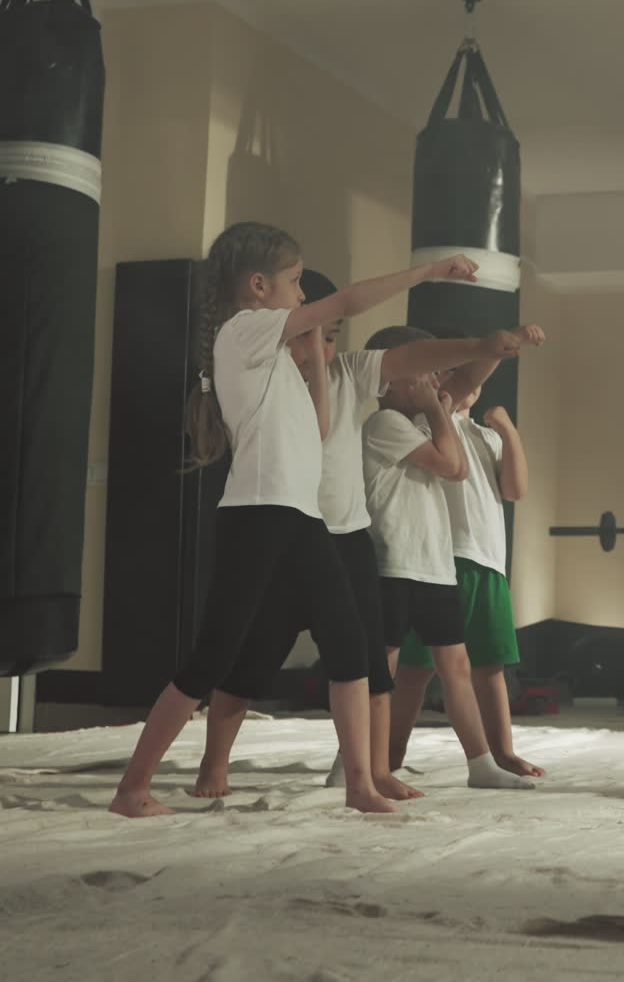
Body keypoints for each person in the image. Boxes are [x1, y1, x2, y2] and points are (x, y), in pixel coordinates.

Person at [108, 221, 483, 819]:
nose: (304, 298)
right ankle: (132, 788)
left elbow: (317, 431)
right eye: (294, 283)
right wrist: (428, 272)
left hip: (302, 518)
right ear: (257, 286)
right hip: (257, 517)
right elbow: (348, 299)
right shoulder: (243, 331)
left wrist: (310, 355)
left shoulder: (278, 355)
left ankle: (360, 783)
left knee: (351, 647)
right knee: (212, 657)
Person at [193, 271, 530, 803]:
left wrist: (482, 346)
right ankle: (214, 764)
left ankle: (365, 772)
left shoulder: (351, 373)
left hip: (348, 538)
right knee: (253, 658)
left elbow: (413, 361)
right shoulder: (265, 378)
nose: (320, 347)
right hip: (289, 531)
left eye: (329, 335)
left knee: (368, 663)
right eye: (308, 333)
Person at [361, 324, 543, 791]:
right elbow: (455, 454)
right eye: (433, 370)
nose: (444, 379)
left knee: (481, 664)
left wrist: (504, 421)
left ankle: (491, 754)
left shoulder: (476, 430)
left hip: (478, 559)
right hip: (436, 557)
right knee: (412, 669)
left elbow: (514, 489)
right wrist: (498, 346)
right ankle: (383, 757)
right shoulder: (419, 419)